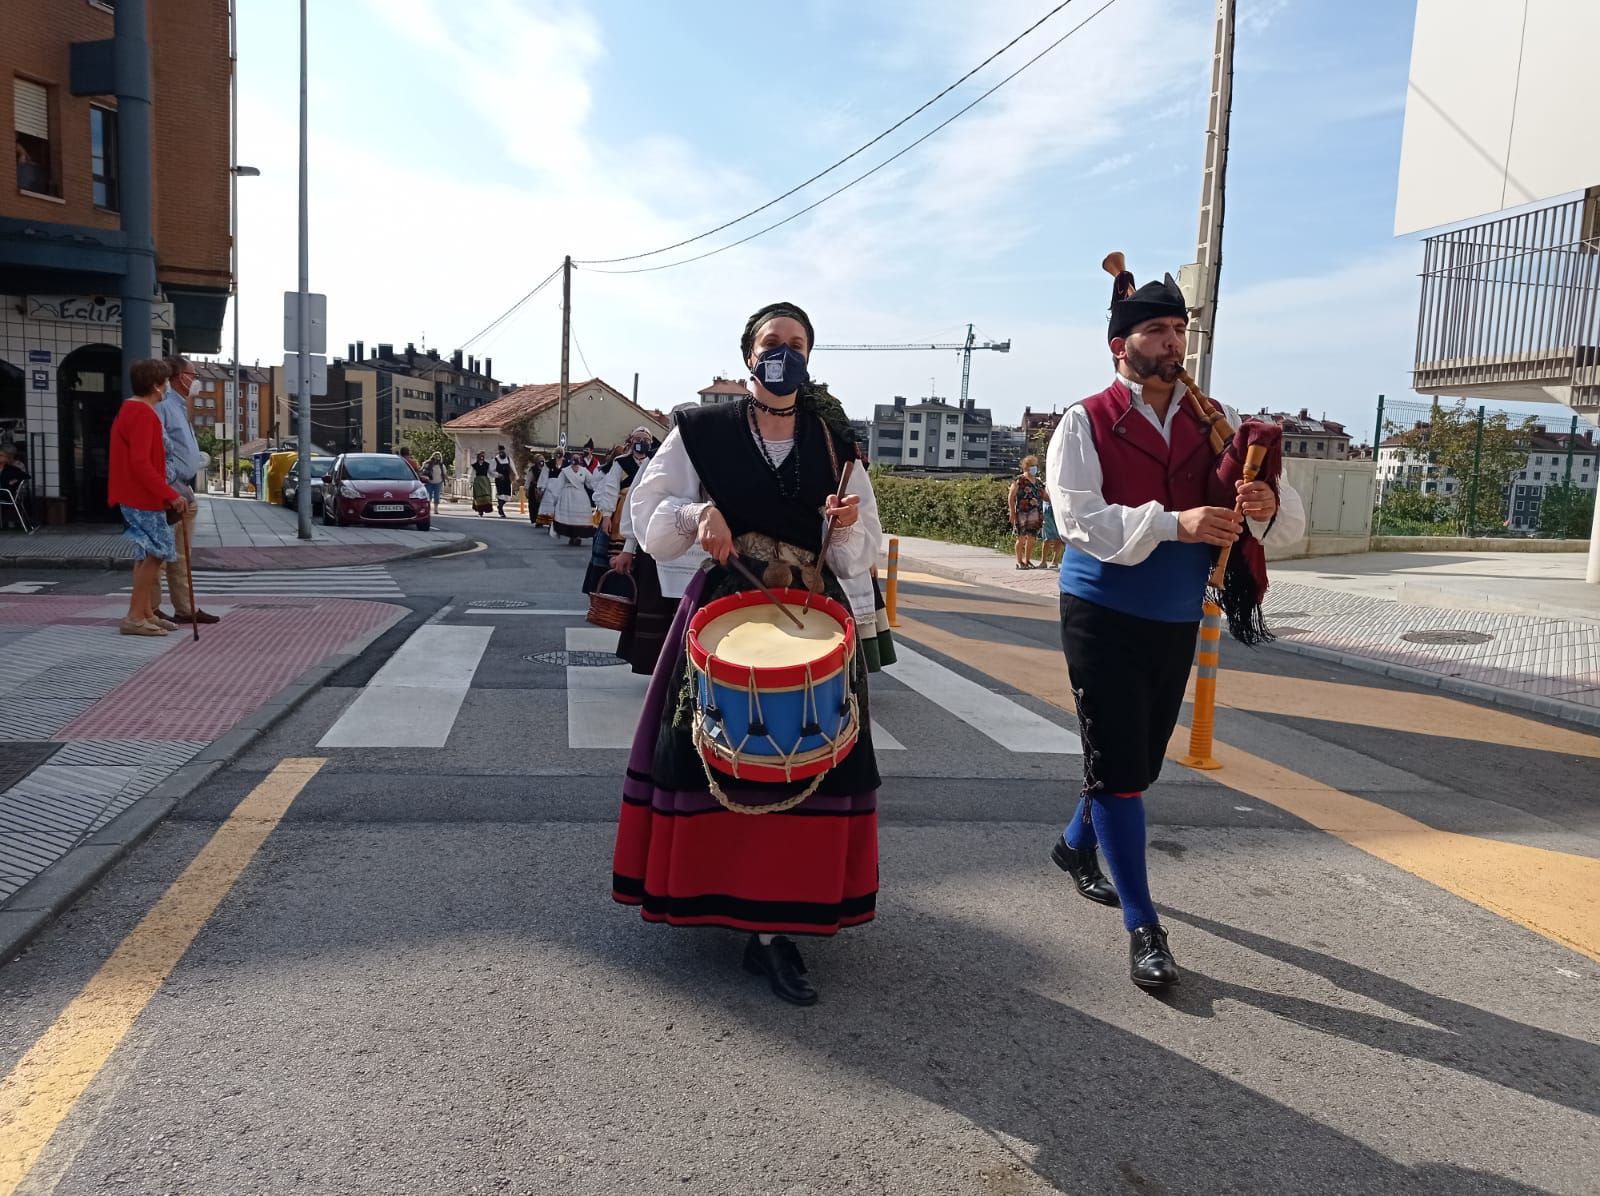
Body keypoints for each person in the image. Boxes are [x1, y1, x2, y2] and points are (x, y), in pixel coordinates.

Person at [614, 301, 882, 1008]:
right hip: (725, 615)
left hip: (810, 618)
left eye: (796, 344)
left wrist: (847, 526)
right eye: (772, 343)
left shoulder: (834, 442)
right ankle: (725, 894)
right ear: (749, 355)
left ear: (809, 358)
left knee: (802, 758)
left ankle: (776, 926)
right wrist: (693, 514)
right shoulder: (699, 430)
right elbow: (648, 519)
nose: (783, 354)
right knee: (722, 753)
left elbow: (860, 557)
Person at [1044, 265, 1305, 990]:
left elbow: (1281, 524)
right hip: (1099, 610)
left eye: (1180, 330)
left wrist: (1260, 503)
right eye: (1156, 330)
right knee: (1124, 774)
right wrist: (1174, 523)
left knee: (1134, 761)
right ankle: (1144, 927)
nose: (1173, 342)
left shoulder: (1214, 421)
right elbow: (1079, 521)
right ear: (1118, 346)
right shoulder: (1084, 419)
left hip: (1174, 615)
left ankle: (1073, 847)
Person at [109, 359, 188, 636]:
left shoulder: (132, 409)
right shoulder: (142, 413)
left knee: (145, 556)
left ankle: (144, 612)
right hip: (142, 497)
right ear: (156, 385)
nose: (167, 386)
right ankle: (135, 616)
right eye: (165, 381)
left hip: (136, 494)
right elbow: (141, 462)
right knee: (156, 552)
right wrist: (170, 494)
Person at [154, 356, 218, 626]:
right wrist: (170, 489)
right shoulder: (164, 407)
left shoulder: (180, 407)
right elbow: (157, 451)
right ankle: (151, 608)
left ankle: (185, 608)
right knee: (158, 555)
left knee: (181, 555)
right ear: (180, 377)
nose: (196, 380)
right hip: (169, 491)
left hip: (185, 491)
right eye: (194, 374)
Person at [584, 426, 655, 594]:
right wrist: (607, 516)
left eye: (646, 440)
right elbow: (610, 488)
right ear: (631, 441)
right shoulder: (621, 462)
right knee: (615, 551)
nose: (641, 443)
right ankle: (611, 590)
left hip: (645, 511)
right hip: (622, 511)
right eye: (638, 439)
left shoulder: (654, 463)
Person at [546, 452, 595, 545]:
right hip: (568, 496)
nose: (576, 463)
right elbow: (559, 484)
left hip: (581, 497)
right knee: (569, 517)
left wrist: (598, 487)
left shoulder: (584, 471)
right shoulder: (565, 471)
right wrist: (555, 497)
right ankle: (572, 536)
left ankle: (578, 536)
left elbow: (591, 482)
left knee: (579, 518)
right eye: (574, 461)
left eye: (577, 461)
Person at [1009, 454, 1045, 569]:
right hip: (1022, 513)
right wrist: (1012, 512)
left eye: (1035, 465)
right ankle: (1019, 561)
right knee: (1021, 538)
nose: (1035, 468)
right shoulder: (1019, 480)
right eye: (1032, 465)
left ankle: (1027, 560)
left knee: (1032, 539)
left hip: (1036, 513)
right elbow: (1011, 496)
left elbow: (1044, 496)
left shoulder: (1038, 482)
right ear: (1026, 467)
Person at [0, 446, 29, 531]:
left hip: (14, 491)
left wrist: (15, 481)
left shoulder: (18, 465)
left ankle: (11, 520)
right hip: (4, 489)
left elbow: (22, 478)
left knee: (12, 495)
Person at [1039, 493, 1064, 570]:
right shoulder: (1046, 483)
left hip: (1058, 507)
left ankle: (1055, 561)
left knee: (1058, 536)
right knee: (1046, 538)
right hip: (1047, 507)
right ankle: (1043, 561)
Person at [469, 451, 494, 515]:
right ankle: (480, 510)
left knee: (486, 496)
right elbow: (472, 474)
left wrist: (498, 475)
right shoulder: (474, 465)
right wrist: (470, 483)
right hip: (477, 482)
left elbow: (491, 472)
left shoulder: (487, 465)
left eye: (483, 456)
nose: (482, 457)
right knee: (478, 496)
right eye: (481, 456)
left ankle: (486, 508)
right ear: (478, 457)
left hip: (485, 482)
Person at [524, 454, 546, 524]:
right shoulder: (533, 469)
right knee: (534, 506)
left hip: (543, 490)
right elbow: (528, 480)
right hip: (534, 489)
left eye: (542, 459)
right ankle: (535, 519)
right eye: (540, 459)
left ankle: (541, 520)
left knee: (542, 506)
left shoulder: (546, 468)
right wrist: (526, 489)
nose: (541, 461)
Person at [493, 445, 513, 517]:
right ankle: (501, 509)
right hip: (499, 480)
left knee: (508, 496)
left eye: (503, 450)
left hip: (507, 479)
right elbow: (491, 471)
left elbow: (512, 467)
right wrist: (498, 475)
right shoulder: (495, 460)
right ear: (498, 451)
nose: (502, 452)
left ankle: (500, 505)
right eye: (500, 451)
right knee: (501, 494)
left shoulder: (508, 459)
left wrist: (516, 475)